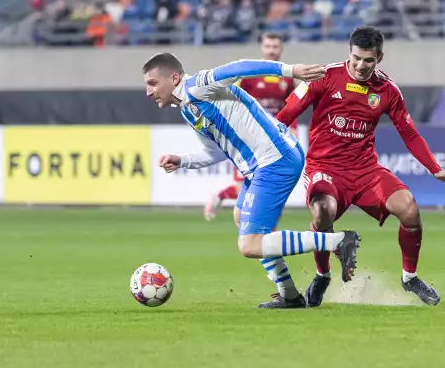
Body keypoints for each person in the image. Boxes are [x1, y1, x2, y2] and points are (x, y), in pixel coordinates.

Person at [143, 53, 361, 309]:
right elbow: (215, 151)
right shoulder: (188, 110)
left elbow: (240, 67)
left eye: (153, 83)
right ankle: (289, 294)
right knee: (241, 218)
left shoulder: (197, 85)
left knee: (249, 244)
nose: (148, 92)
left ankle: (339, 241)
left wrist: (291, 71)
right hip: (259, 167)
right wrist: (183, 160)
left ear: (174, 78)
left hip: (274, 159)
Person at [275, 26, 445, 307]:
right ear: (349, 54)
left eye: (368, 60)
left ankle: (410, 278)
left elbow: (409, 133)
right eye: (356, 58)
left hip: (365, 171)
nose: (361, 66)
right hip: (325, 168)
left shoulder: (387, 90)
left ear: (379, 58)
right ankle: (322, 274)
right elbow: (283, 117)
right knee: (323, 211)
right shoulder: (323, 77)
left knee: (409, 208)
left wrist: (434, 168)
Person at [204, 32, 297, 221]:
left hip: (275, 141)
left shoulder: (287, 78)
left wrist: (292, 128)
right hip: (249, 139)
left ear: (281, 49)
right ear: (262, 49)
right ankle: (223, 200)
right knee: (247, 188)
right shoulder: (249, 75)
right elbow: (233, 102)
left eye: (275, 47)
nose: (272, 51)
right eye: (268, 46)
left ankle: (264, 235)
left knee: (269, 189)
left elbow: (291, 106)